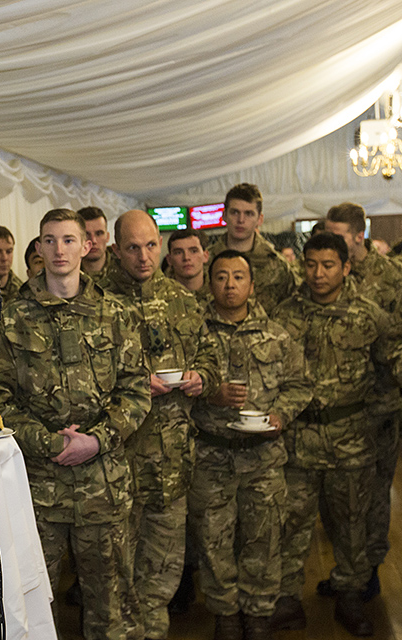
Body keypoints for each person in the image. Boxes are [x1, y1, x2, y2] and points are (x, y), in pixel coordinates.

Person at [0, 208, 150, 640]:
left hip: (104, 485)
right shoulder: (11, 318)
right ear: (39, 248)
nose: (59, 249)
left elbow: (137, 393)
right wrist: (46, 442)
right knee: (32, 602)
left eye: (68, 240)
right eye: (49, 240)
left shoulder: (115, 314)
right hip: (37, 488)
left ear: (87, 246)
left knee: (111, 605)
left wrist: (97, 441)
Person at [271, 233, 402, 637]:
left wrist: (372, 418)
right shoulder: (284, 316)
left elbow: (390, 369)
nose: (318, 273)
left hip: (351, 441)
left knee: (350, 526)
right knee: (291, 526)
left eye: (328, 265)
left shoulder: (369, 316)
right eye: (311, 264)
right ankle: (288, 600)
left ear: (346, 267)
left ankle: (350, 595)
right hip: (298, 441)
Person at [100, 210, 220, 640]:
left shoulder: (182, 300)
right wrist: (130, 384)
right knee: (116, 573)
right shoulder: (95, 302)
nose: (144, 256)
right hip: (116, 462)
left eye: (151, 245)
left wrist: (202, 376)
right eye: (133, 247)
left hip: (171, 461)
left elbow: (210, 355)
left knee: (163, 571)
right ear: (116, 250)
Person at [187, 250, 311, 640]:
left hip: (263, 459)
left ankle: (258, 614)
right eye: (221, 277)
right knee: (213, 540)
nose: (229, 285)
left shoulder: (277, 335)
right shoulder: (193, 333)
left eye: (238, 277)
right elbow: (177, 388)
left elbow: (300, 385)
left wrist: (280, 416)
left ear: (252, 284)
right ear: (210, 282)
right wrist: (210, 394)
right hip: (211, 455)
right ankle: (225, 614)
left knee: (265, 539)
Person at [319, 203, 402, 602]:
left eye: (339, 235)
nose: (333, 241)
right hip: (339, 405)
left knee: (374, 494)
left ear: (359, 234)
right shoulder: (326, 273)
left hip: (381, 405)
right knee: (338, 498)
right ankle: (346, 568)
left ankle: (368, 568)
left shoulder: (392, 277)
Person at [206, 183, 299, 314]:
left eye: (249, 214)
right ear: (224, 215)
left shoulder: (276, 264)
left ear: (259, 219)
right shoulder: (205, 261)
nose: (241, 220)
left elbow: (293, 307)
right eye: (235, 212)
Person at [167, 229, 211, 303]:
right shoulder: (160, 296)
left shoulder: (219, 291)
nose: (186, 258)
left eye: (193, 251)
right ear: (169, 260)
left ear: (205, 256)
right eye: (178, 252)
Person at [79, 206, 115, 279]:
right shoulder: (68, 270)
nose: (93, 241)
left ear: (107, 237)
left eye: (99, 234)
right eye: (86, 234)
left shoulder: (125, 267)